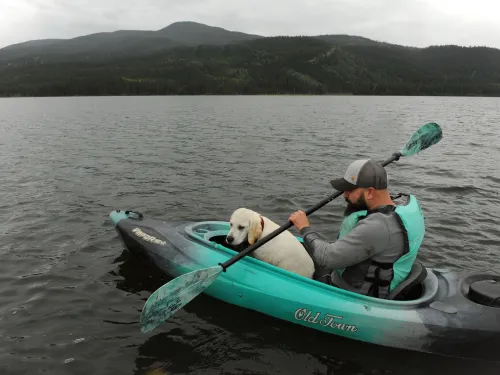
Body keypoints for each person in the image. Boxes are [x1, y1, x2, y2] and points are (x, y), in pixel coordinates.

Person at [288, 159, 425, 299]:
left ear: (370, 192)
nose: (345, 195)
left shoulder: (378, 226)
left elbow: (327, 258)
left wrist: (304, 227)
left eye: (350, 190)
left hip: (354, 294)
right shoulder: (400, 207)